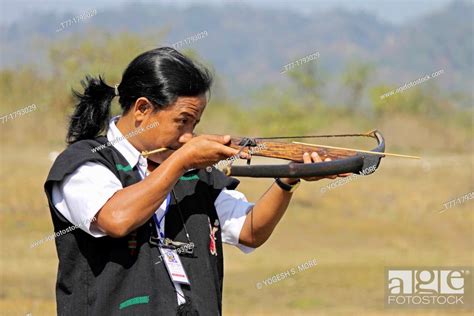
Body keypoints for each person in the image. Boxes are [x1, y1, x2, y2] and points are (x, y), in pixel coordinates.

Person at [44, 47, 342, 315]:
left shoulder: (192, 170)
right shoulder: (85, 161)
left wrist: (288, 179)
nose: (188, 135)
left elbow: (250, 230)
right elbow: (116, 218)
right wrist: (182, 161)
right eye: (181, 121)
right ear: (142, 109)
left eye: (194, 124)